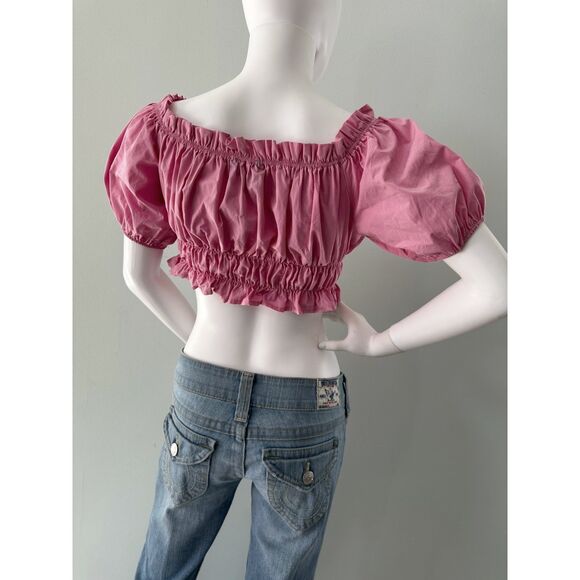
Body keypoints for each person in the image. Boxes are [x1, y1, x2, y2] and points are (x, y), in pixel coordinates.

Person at [103, 1, 507, 578]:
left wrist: (206, 346)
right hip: (304, 406)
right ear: (327, 19)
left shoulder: (165, 133)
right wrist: (378, 342)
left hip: (202, 389)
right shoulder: (364, 151)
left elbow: (139, 274)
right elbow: (500, 286)